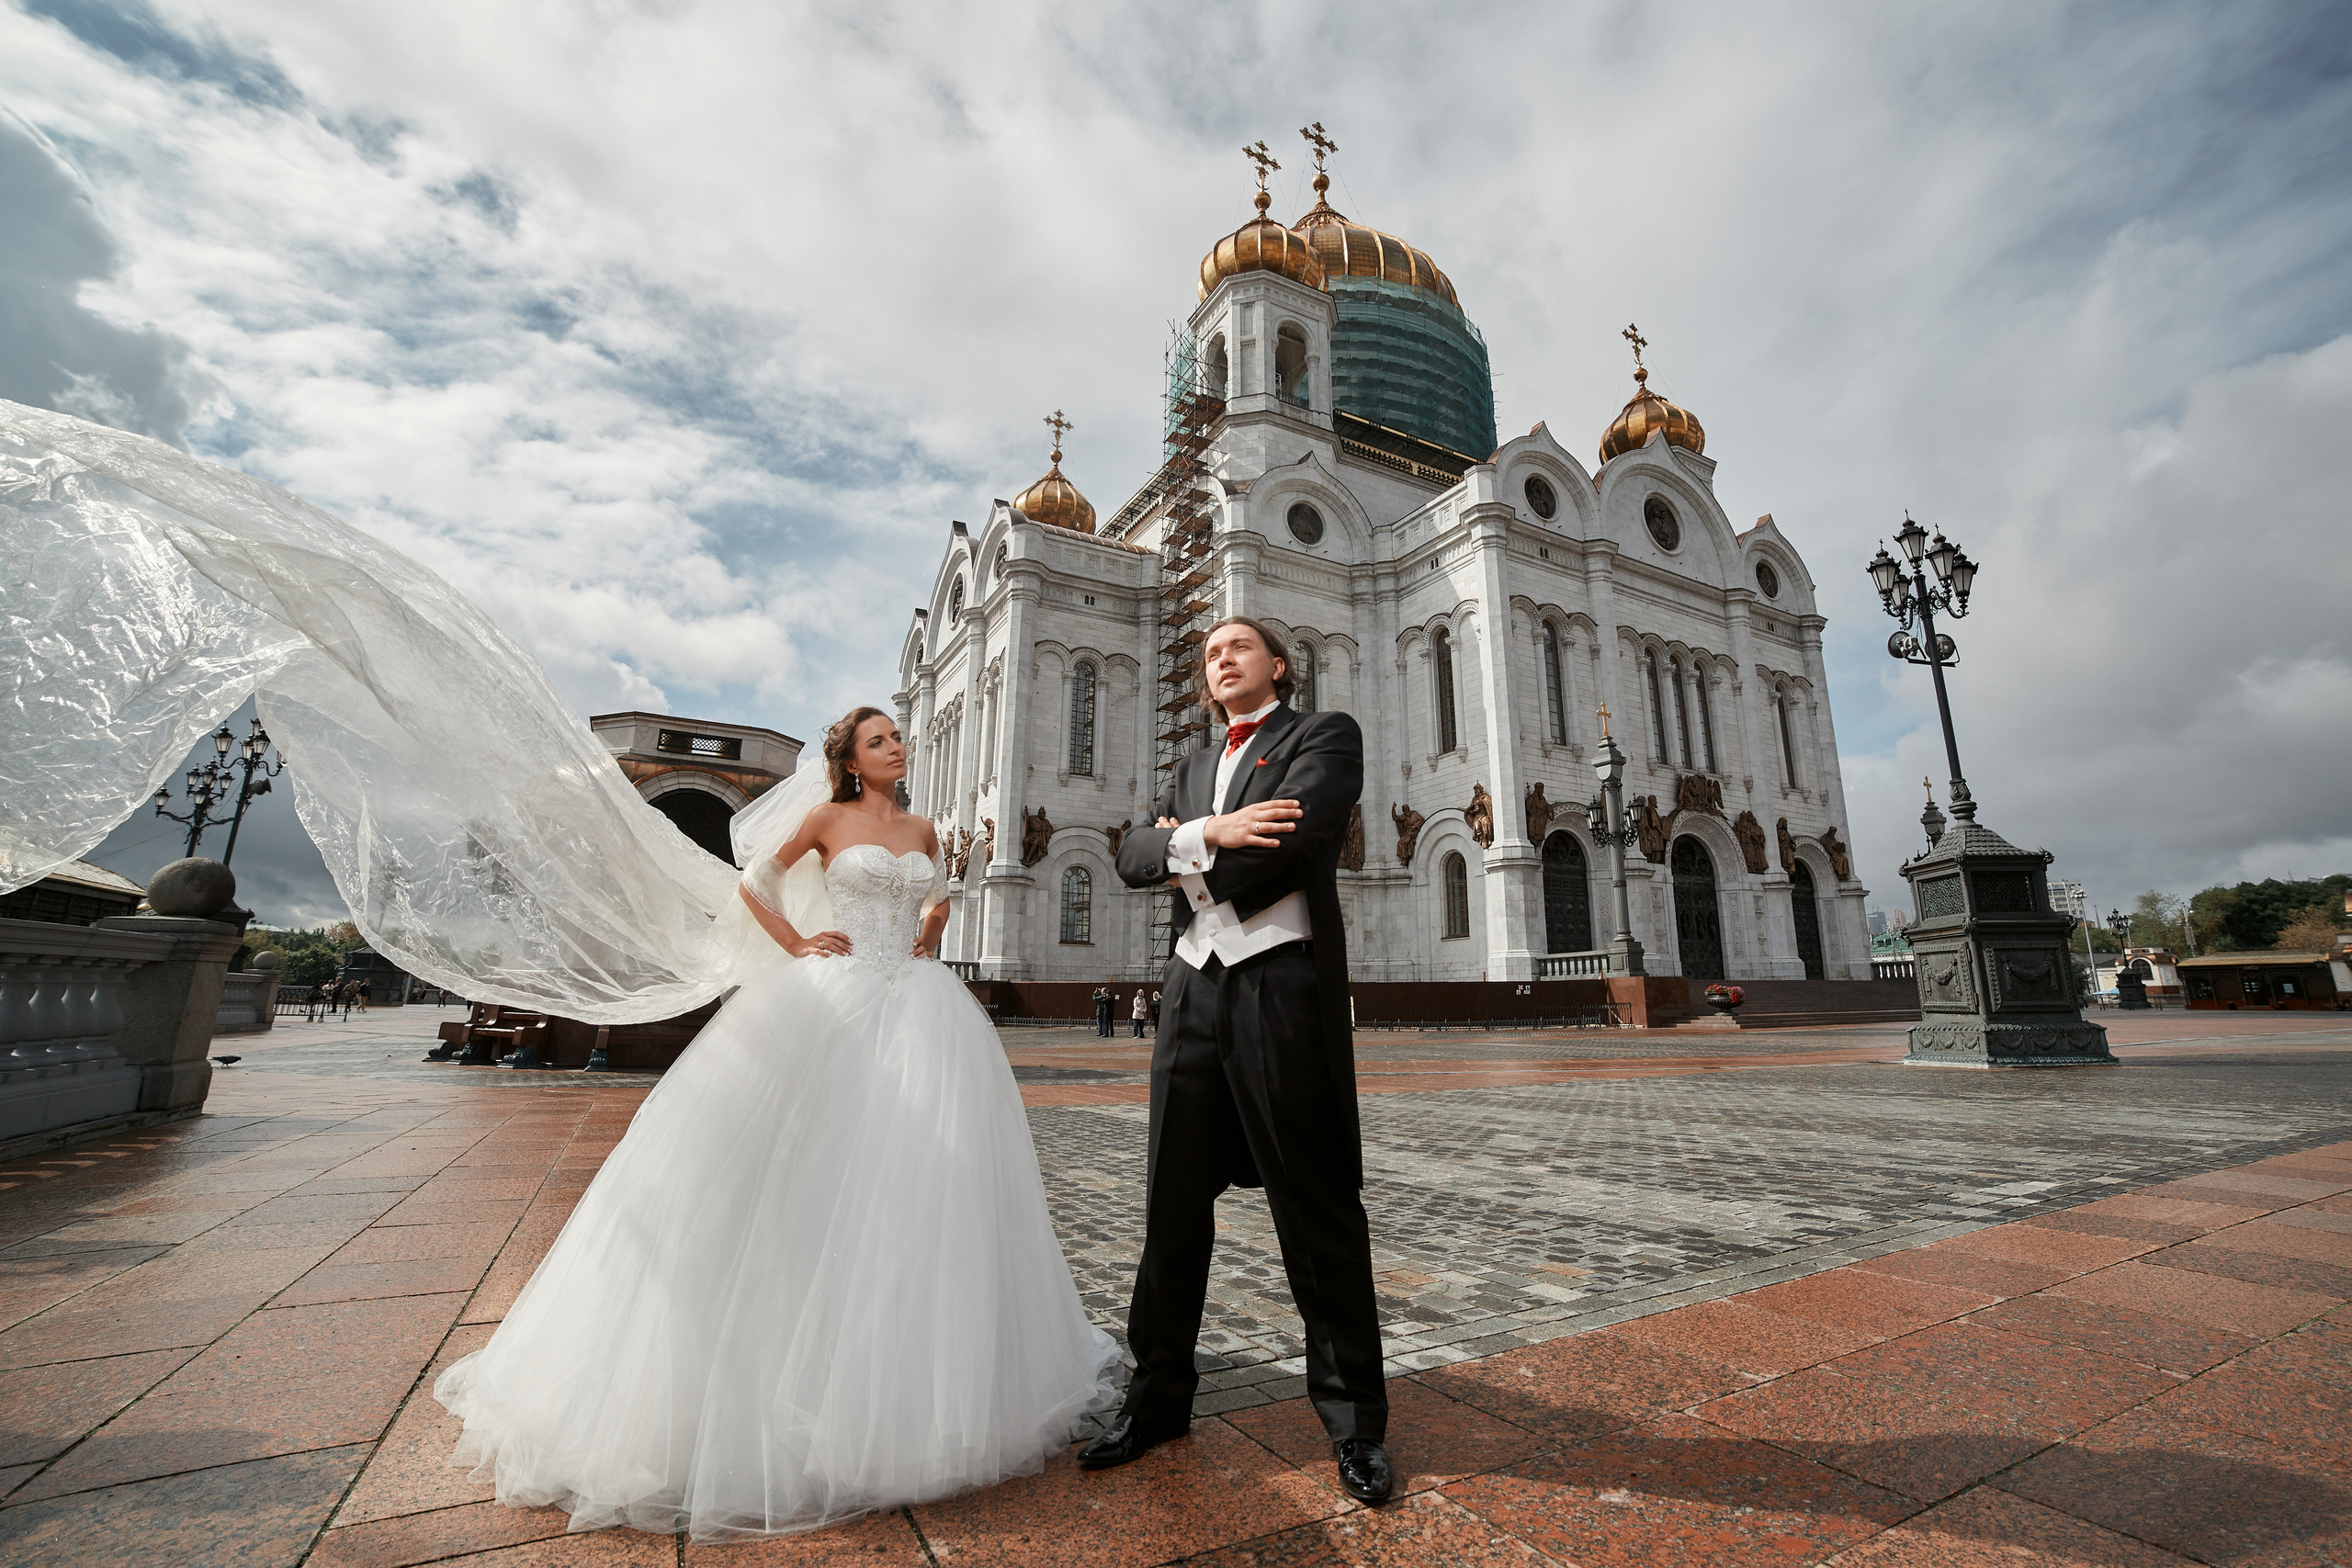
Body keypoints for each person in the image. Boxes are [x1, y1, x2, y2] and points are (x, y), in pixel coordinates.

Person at [433, 708, 1118, 1536]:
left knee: (922, 1179)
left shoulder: (926, 826)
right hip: (832, 996)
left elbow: (938, 898)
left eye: (899, 737)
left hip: (920, 1009)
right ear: (851, 761)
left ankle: (901, 1371)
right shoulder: (827, 817)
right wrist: (798, 943)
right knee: (805, 1165)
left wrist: (928, 934)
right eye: (879, 741)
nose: (895, 747)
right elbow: (754, 880)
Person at [1094, 616, 1390, 1503]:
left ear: (1278, 665)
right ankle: (1157, 1403)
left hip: (1277, 988)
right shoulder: (1189, 762)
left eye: (1238, 647)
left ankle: (1355, 1425)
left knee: (1317, 1204)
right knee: (1171, 1203)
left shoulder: (1324, 735)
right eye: (1210, 653)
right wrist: (1216, 830)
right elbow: (1127, 854)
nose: (1220, 659)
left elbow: (1298, 841)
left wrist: (1184, 843)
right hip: (1190, 991)